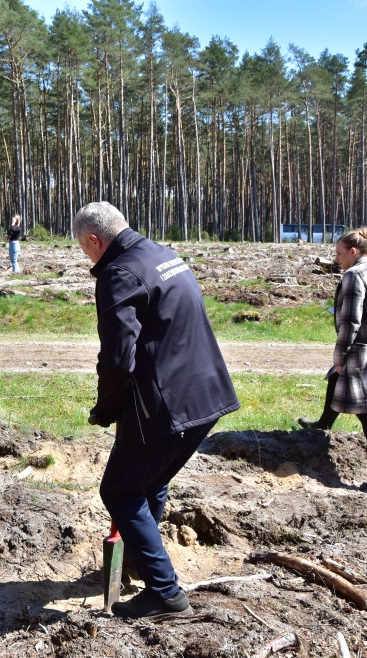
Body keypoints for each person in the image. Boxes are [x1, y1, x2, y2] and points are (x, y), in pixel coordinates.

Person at [73, 201, 239, 620]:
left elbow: (117, 358)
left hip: (166, 405)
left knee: (120, 490)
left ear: (95, 240)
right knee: (150, 482)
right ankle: (138, 563)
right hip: (206, 394)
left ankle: (165, 593)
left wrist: (106, 408)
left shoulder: (118, 274)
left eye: (84, 250)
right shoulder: (163, 255)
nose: (88, 258)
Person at [298, 228, 367, 493]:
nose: (336, 259)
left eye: (338, 253)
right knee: (335, 376)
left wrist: (341, 355)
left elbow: (350, 322)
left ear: (353, 252)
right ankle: (323, 424)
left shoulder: (354, 277)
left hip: (362, 351)